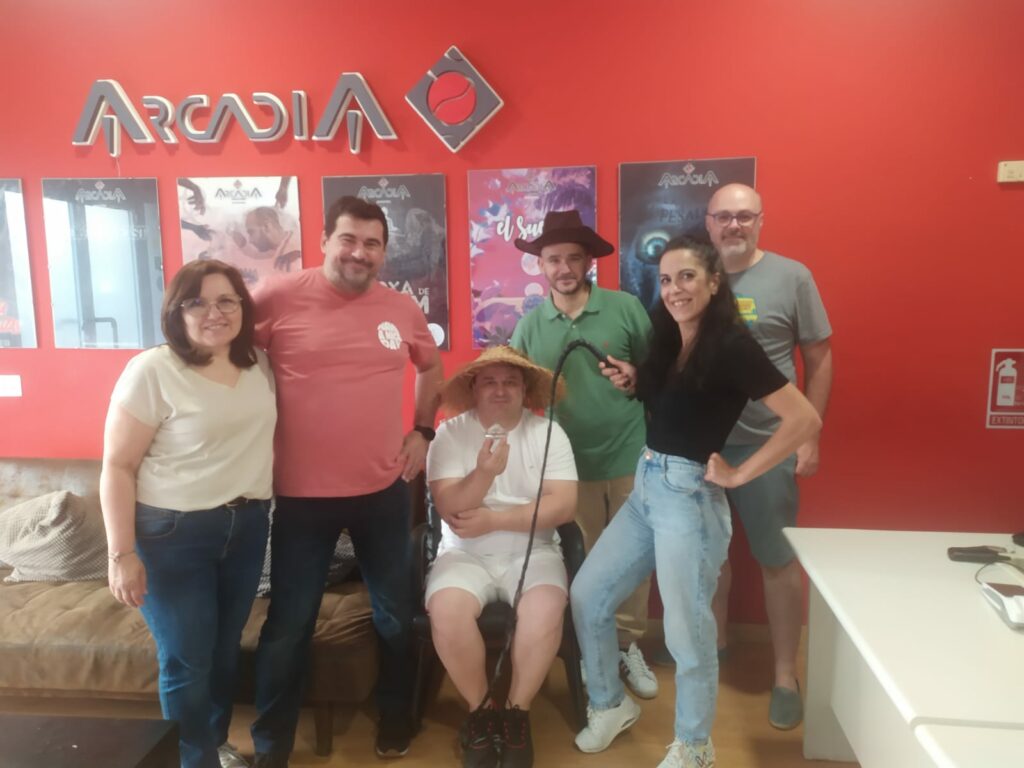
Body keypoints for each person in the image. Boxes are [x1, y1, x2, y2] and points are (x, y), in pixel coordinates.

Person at [570, 236, 821, 768]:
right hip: (647, 485)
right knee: (588, 595)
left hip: (689, 499)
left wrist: (740, 473)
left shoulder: (732, 344)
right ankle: (609, 705)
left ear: (713, 282)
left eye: (686, 277)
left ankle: (695, 746)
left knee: (687, 634)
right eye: (666, 280)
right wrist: (636, 379)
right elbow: (674, 404)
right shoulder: (668, 334)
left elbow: (804, 419)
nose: (674, 289)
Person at [250, 195, 444, 766]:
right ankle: (271, 745)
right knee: (289, 626)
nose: (360, 253)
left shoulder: (400, 308)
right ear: (324, 241)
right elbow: (229, 361)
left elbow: (431, 366)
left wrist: (423, 431)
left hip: (382, 492)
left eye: (372, 244)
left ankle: (396, 717)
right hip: (301, 500)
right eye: (349, 240)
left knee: (395, 616)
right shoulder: (276, 297)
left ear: (384, 252)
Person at [100, 259, 276, 768]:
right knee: (187, 659)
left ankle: (214, 744)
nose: (214, 312)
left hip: (247, 526)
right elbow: (117, 466)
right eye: (197, 302)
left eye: (226, 301)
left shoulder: (259, 364)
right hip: (172, 535)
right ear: (176, 311)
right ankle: (192, 760)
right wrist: (121, 554)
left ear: (242, 307)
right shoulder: (152, 371)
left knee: (223, 651)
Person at [509, 210, 657, 699]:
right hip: (568, 468)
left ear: (589, 261)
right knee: (586, 562)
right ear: (540, 265)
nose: (564, 268)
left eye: (574, 258)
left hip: (632, 455)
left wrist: (638, 374)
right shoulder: (530, 326)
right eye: (554, 259)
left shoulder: (625, 308)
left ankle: (626, 646)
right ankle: (594, 649)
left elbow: (660, 371)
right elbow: (516, 394)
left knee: (635, 559)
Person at [705, 183, 833, 730]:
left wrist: (810, 434)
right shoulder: (694, 275)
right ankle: (715, 646)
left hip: (769, 442)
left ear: (760, 221)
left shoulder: (792, 276)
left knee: (777, 562)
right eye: (723, 216)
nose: (733, 225)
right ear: (709, 223)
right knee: (708, 557)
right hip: (704, 446)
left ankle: (785, 675)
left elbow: (819, 358)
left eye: (744, 216)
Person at [425, 346, 578, 768]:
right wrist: (485, 473)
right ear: (473, 388)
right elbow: (451, 507)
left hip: (533, 549)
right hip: (464, 552)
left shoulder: (549, 433)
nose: (500, 390)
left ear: (525, 390)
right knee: (447, 611)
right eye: (489, 381)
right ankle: (481, 712)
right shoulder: (449, 434)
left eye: (510, 382)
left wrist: (496, 519)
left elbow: (564, 505)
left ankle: (515, 714)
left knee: (545, 611)